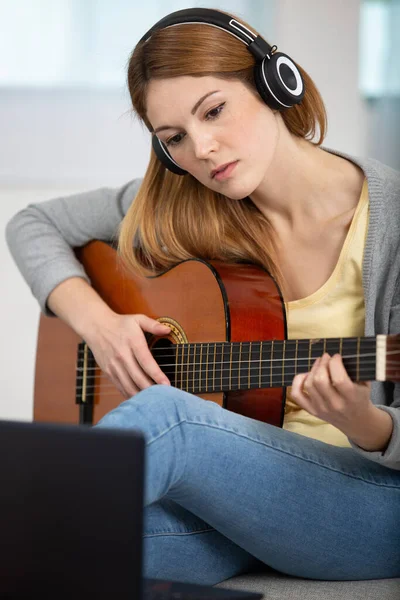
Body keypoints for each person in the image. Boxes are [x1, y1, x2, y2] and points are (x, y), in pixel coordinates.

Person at [6, 7, 400, 586]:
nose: (203, 149)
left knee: (172, 421)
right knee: (59, 556)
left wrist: (367, 423)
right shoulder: (187, 202)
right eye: (175, 139)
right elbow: (32, 223)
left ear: (274, 82)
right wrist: (99, 324)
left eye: (214, 110)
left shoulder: (392, 219)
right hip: (241, 510)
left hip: (369, 509)